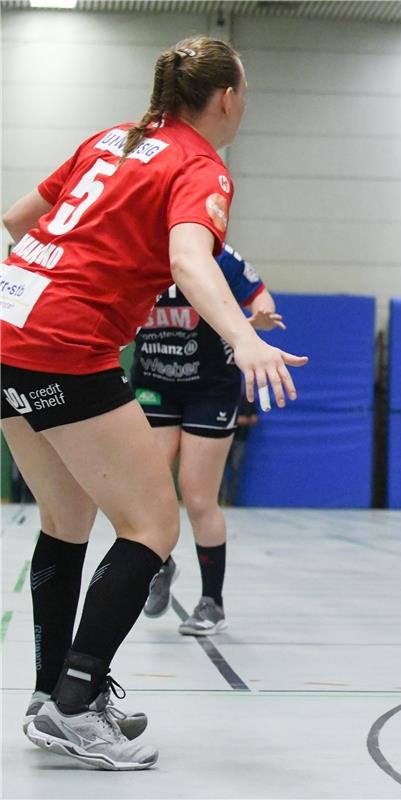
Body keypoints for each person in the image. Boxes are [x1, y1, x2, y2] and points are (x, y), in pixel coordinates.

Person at [2, 37, 304, 770]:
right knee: (153, 525)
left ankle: (52, 698)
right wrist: (243, 339)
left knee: (67, 521)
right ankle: (75, 703)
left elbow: (18, 221)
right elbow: (188, 259)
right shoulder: (201, 166)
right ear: (226, 98)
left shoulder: (113, 136)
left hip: (9, 323)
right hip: (64, 346)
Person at [134, 243, 283, 636]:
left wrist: (261, 314)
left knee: (197, 496)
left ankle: (211, 603)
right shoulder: (132, 245)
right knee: (146, 490)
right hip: (154, 381)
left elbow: (259, 293)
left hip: (210, 388)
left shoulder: (212, 251)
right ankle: (160, 563)